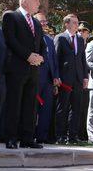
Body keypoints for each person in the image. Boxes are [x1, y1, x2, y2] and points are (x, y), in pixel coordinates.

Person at [2, 0, 46, 149]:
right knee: (14, 104)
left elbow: (42, 45)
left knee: (30, 105)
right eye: (36, 0)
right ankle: (11, 138)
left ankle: (27, 138)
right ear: (25, 1)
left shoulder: (36, 22)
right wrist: (28, 55)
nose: (38, 3)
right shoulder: (11, 16)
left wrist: (40, 57)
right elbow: (10, 40)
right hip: (16, 67)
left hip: (33, 69)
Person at [54, 13, 89, 144]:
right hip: (64, 79)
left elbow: (82, 59)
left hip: (78, 78)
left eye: (77, 22)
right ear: (66, 24)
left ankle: (72, 136)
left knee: (76, 108)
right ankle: (60, 135)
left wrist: (85, 77)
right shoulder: (60, 38)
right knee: (62, 107)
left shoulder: (80, 39)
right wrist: (56, 76)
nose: (77, 25)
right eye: (74, 22)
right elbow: (56, 58)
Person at [35, 12, 59, 144]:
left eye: (45, 21)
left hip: (49, 80)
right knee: (32, 108)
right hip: (36, 77)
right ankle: (28, 134)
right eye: (41, 21)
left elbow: (54, 60)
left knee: (46, 110)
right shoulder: (32, 37)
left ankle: (41, 137)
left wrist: (56, 77)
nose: (44, 24)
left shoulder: (50, 40)